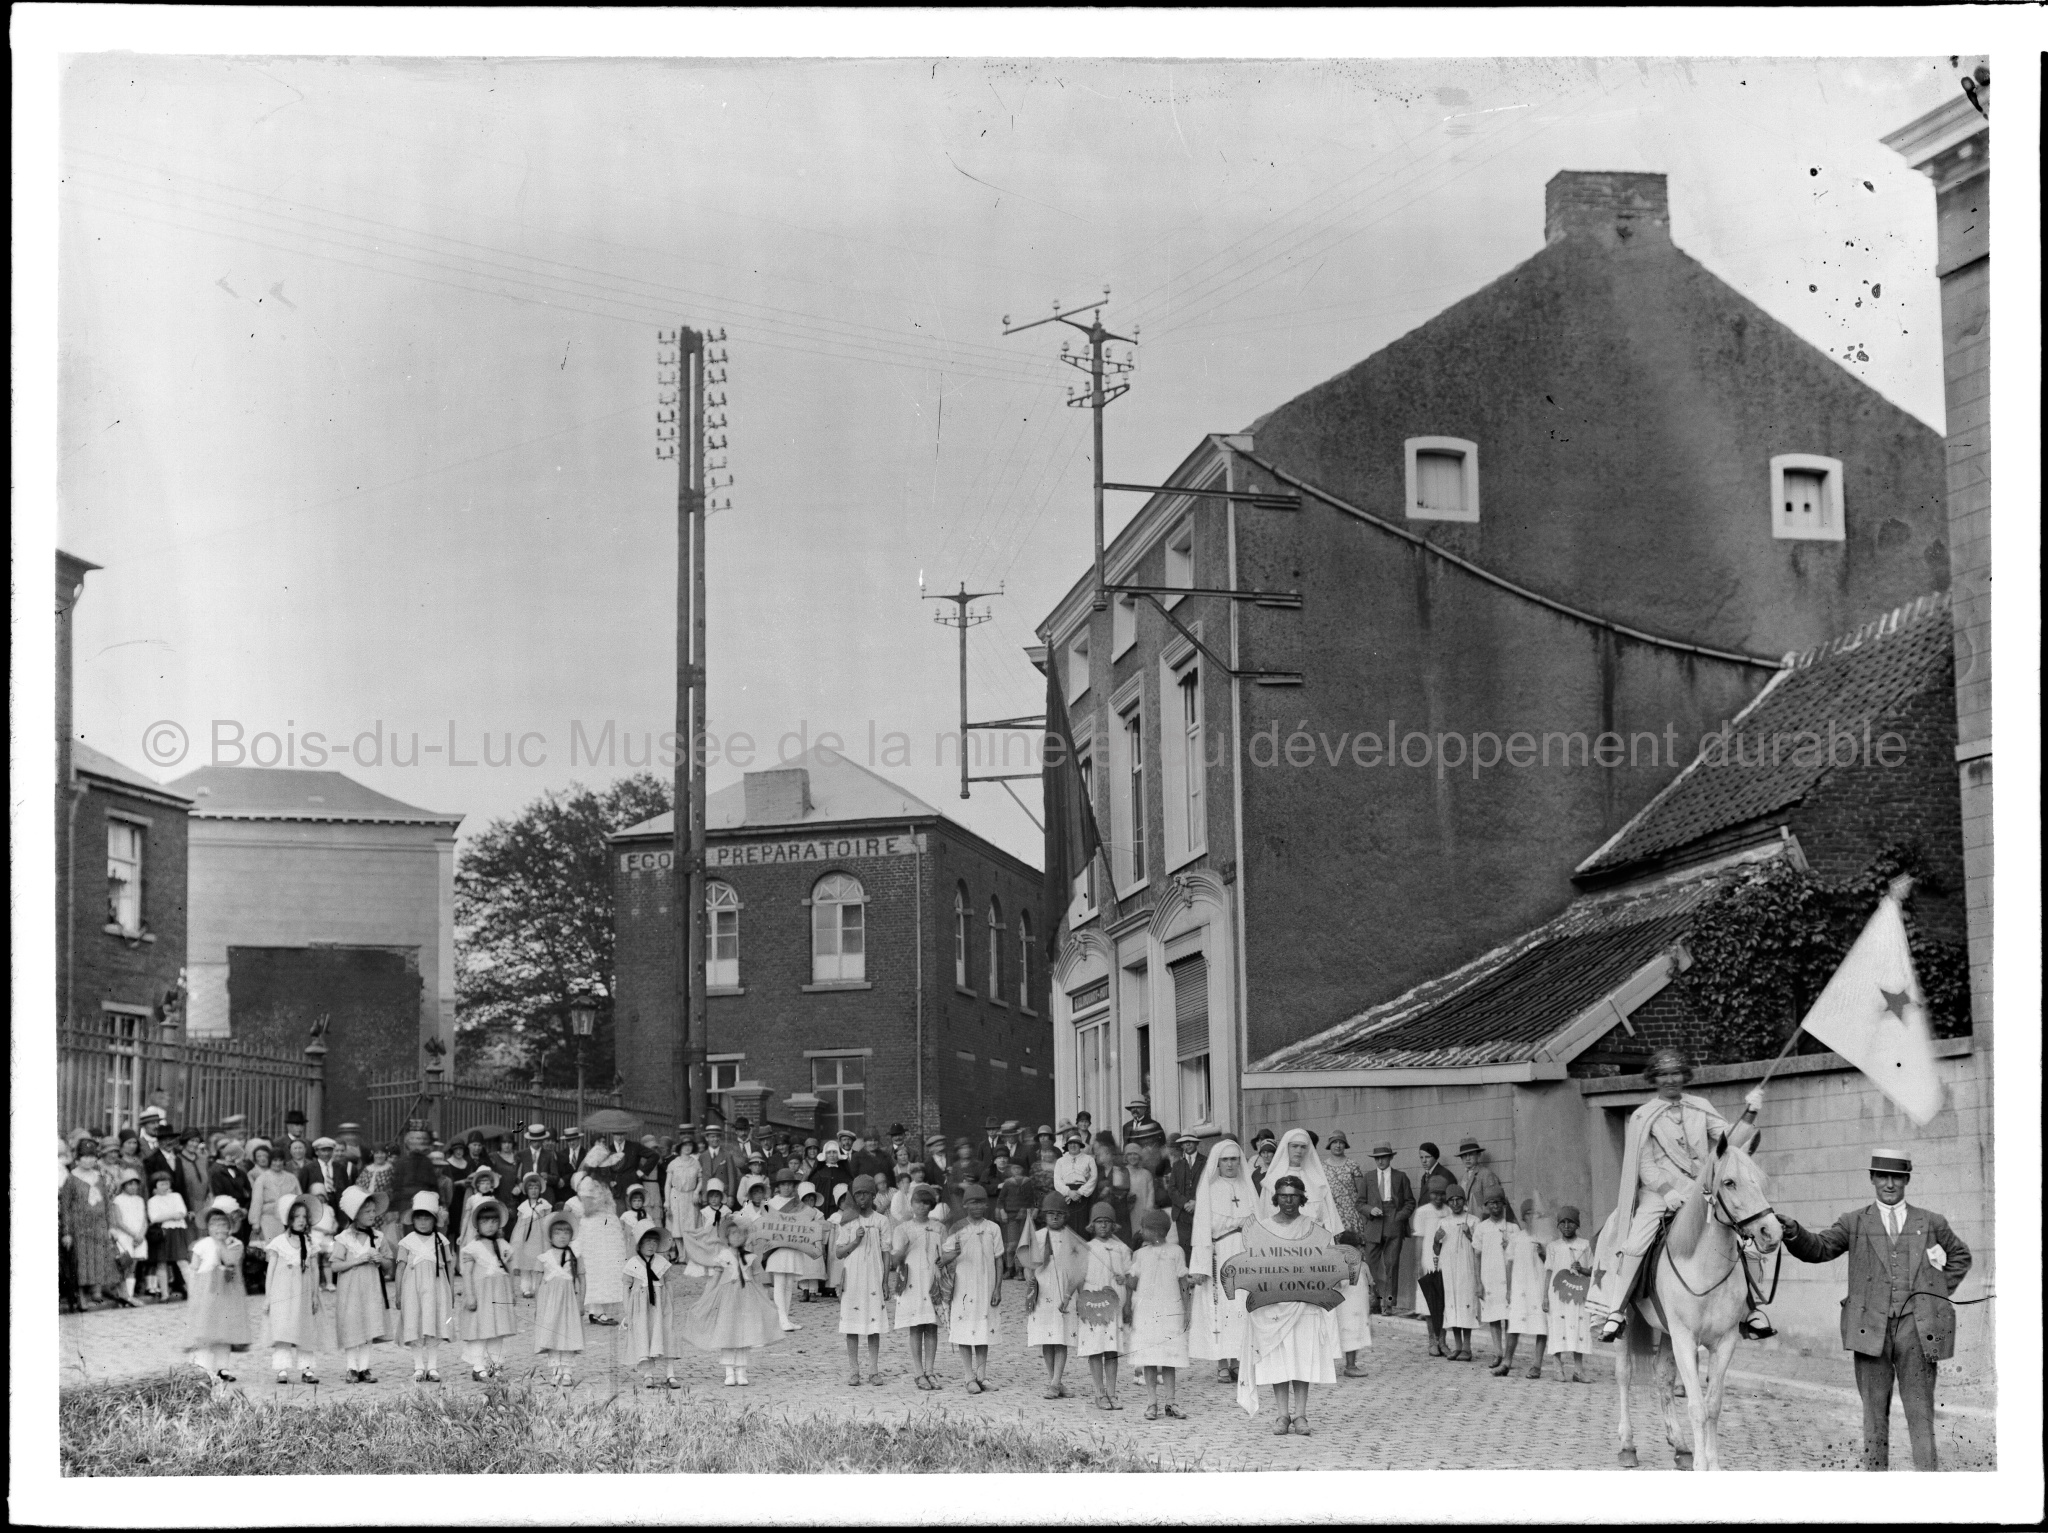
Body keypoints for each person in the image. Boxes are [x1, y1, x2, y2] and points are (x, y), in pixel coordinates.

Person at [1777, 1147, 1974, 1472]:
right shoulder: (1853, 1222)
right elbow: (1820, 1248)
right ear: (1872, 1178)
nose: (1889, 1184)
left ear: (1906, 1180)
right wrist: (1795, 1232)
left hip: (1916, 1332)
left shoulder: (1931, 1222)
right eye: (1882, 1176)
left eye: (1896, 1177)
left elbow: (1961, 1257)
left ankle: (1930, 1488)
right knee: (1873, 1417)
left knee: (1921, 1415)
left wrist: (1932, 1294)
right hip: (1870, 1330)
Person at [1586, 1048, 1771, 1344]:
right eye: (1664, 1075)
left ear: (1685, 1076)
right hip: (1658, 1194)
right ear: (1654, 1079)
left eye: (1676, 1073)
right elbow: (1644, 1163)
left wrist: (1749, 1113)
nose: (1670, 1080)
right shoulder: (1642, 1115)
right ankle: (1617, 1311)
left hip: (1701, 1191)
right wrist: (1666, 1191)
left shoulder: (1700, 1106)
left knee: (1742, 1240)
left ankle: (1751, 1310)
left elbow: (1730, 1142)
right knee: (1635, 1244)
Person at [1236, 1174, 1347, 1436]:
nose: (1288, 1201)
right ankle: (1282, 1415)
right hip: (1273, 1304)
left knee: (1301, 1358)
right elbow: (1254, 1265)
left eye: (1294, 1196)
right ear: (1276, 1198)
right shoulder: (1263, 1229)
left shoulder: (1314, 1228)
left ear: (1302, 1198)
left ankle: (1301, 1415)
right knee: (1279, 1360)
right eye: (1284, 1196)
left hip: (1303, 1302)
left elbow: (1328, 1262)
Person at [673, 1215, 781, 1386]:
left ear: (746, 1237)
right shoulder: (723, 1256)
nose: (737, 1237)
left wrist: (765, 1299)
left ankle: (742, 1371)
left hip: (747, 1297)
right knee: (727, 1332)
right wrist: (705, 1298)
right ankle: (729, 1371)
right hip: (727, 1298)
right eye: (733, 1234)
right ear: (727, 1237)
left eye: (741, 1234)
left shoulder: (751, 1257)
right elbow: (714, 1280)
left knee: (745, 1332)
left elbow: (758, 1280)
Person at [1189, 1138, 1258, 1381]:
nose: (1230, 1164)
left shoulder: (1247, 1187)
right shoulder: (1210, 1188)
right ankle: (1221, 1363)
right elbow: (1201, 1229)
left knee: (1241, 1307)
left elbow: (1257, 1225)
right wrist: (1200, 1265)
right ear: (1217, 1163)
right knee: (1219, 1307)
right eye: (1225, 1160)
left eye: (1234, 1159)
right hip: (1219, 1254)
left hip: (1245, 1255)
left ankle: (1238, 1361)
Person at [1020, 1192, 1088, 1399]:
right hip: (1043, 1291)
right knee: (1046, 1338)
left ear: (1065, 1215)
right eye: (1051, 1214)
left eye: (1059, 1213)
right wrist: (1029, 1280)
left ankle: (1056, 1381)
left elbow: (1080, 1269)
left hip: (1064, 1293)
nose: (1055, 1217)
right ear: (1045, 1216)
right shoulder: (1038, 1237)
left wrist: (1078, 1295)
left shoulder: (1073, 1239)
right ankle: (1054, 1381)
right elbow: (1027, 1264)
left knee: (1061, 1338)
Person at [940, 1183, 1004, 1394]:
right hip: (964, 1288)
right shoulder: (957, 1228)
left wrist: (997, 1288)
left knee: (983, 1331)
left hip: (986, 1285)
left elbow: (998, 1259)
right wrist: (953, 1253)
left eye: (981, 1202)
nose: (977, 1206)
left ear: (986, 1205)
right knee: (965, 1331)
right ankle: (969, 1376)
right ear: (965, 1205)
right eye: (973, 1203)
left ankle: (982, 1375)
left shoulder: (993, 1228)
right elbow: (942, 1260)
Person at [1128, 1207, 1192, 1420]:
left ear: (1156, 1231)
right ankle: (1151, 1402)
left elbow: (1183, 1282)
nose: (1141, 1232)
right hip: (1146, 1312)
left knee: (1169, 1357)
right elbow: (1133, 1282)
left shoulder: (1176, 1252)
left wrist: (1186, 1309)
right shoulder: (1140, 1254)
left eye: (1144, 1228)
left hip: (1170, 1310)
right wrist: (1125, 1279)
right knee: (1148, 1357)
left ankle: (1171, 1402)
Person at [184, 1200, 252, 1382]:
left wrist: (221, 1243)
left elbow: (230, 1261)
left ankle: (223, 1367)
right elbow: (194, 1268)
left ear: (230, 1226)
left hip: (227, 1289)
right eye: (214, 1224)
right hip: (206, 1289)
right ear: (207, 1227)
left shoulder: (235, 1244)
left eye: (223, 1224)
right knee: (205, 1329)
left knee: (224, 1329)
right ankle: (202, 1368)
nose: (218, 1228)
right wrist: (193, 1291)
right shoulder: (201, 1245)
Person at [330, 1187, 393, 1383]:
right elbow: (335, 1266)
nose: (372, 1215)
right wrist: (357, 1260)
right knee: (352, 1326)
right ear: (355, 1214)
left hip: (371, 1289)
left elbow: (389, 1265)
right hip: (350, 1291)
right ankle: (351, 1367)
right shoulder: (344, 1238)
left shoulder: (378, 1237)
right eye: (367, 1211)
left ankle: (364, 1367)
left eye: (373, 1211)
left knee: (369, 1324)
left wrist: (380, 1259)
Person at [834, 1174, 892, 1386]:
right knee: (852, 1324)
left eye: (865, 1194)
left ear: (873, 1195)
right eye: (857, 1194)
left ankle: (873, 1370)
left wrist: (885, 1281)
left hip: (873, 1277)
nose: (861, 1198)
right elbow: (839, 1253)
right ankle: (854, 1370)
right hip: (853, 1277)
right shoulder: (848, 1221)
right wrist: (855, 1241)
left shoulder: (881, 1221)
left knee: (873, 1325)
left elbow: (886, 1252)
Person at [889, 1183, 947, 1390]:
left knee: (931, 1325)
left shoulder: (939, 1227)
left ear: (931, 1205)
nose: (921, 1207)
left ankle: (930, 1370)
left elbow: (945, 1255)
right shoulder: (902, 1229)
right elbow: (895, 1260)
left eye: (926, 1203)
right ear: (911, 1204)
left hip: (932, 1279)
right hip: (912, 1280)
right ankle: (918, 1371)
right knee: (916, 1325)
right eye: (917, 1202)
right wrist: (902, 1250)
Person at [1075, 1201, 1132, 1410]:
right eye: (1099, 1222)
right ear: (1093, 1225)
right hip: (1093, 1301)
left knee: (1111, 1348)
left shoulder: (1122, 1249)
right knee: (1095, 1347)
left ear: (1113, 1225)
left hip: (1115, 1302)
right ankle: (1099, 1392)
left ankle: (1112, 1392)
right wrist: (1081, 1301)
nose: (1103, 1225)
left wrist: (1127, 1297)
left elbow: (1130, 1276)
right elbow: (1079, 1278)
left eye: (1107, 1222)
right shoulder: (1087, 1248)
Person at [265, 1193, 326, 1384]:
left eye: (304, 1217)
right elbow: (271, 1271)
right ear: (288, 1219)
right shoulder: (279, 1242)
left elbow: (315, 1269)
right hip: (283, 1293)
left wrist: (315, 1295)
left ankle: (306, 1369)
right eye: (296, 1216)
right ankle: (282, 1368)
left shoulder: (310, 1242)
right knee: (283, 1329)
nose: (301, 1220)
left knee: (305, 1328)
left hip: (304, 1293)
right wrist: (268, 1297)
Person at [396, 1191, 457, 1382]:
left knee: (434, 1322)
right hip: (412, 1289)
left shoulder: (441, 1241)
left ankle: (432, 1366)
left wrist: (451, 1291)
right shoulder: (407, 1241)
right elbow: (400, 1268)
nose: (423, 1222)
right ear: (413, 1220)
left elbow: (449, 1267)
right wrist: (398, 1293)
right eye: (419, 1218)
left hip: (435, 1288)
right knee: (414, 1322)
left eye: (427, 1218)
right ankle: (418, 1366)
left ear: (434, 1220)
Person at [458, 1199, 519, 1381]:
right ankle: (478, 1367)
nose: (490, 1225)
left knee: (498, 1330)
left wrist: (512, 1292)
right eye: (485, 1221)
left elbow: (509, 1271)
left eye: (494, 1221)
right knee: (479, 1330)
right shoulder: (472, 1248)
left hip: (499, 1293)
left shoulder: (503, 1245)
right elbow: (467, 1273)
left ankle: (495, 1364)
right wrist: (470, 1295)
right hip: (481, 1295)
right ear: (477, 1225)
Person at [60, 1139, 121, 1309]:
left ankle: (97, 1290)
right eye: (84, 1157)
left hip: (99, 1225)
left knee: (98, 1257)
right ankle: (81, 1295)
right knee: (81, 1260)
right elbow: (65, 1207)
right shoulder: (71, 1178)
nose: (88, 1160)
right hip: (79, 1227)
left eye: (92, 1157)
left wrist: (111, 1226)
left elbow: (107, 1204)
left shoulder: (99, 1177)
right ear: (77, 1158)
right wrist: (67, 1232)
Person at [1357, 1142, 1417, 1315]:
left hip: (1393, 1224)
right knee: (1371, 1266)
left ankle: (1388, 1303)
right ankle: (1374, 1301)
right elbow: (1359, 1203)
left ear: (1390, 1157)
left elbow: (1410, 1202)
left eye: (1383, 1157)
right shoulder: (1368, 1177)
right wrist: (1370, 1210)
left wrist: (1398, 1217)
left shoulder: (1401, 1177)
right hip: (1373, 1225)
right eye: (1377, 1158)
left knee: (1391, 1265)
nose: (1380, 1161)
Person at [621, 1223, 682, 1390]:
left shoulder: (662, 1262)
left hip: (660, 1305)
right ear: (640, 1244)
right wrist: (628, 1311)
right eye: (647, 1241)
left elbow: (668, 1283)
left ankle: (670, 1374)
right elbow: (626, 1287)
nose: (651, 1245)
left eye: (654, 1242)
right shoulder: (633, 1263)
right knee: (644, 1335)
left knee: (666, 1334)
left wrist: (670, 1304)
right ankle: (648, 1375)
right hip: (641, 1307)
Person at [533, 1213, 587, 1386]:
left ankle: (567, 1371)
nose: (562, 1236)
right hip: (550, 1301)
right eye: (557, 1232)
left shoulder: (576, 1256)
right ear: (550, 1236)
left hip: (569, 1301)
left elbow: (582, 1279)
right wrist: (538, 1305)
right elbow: (537, 1283)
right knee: (553, 1332)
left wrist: (581, 1302)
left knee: (568, 1332)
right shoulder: (545, 1257)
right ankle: (556, 1370)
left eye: (566, 1232)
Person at [1543, 1205, 1593, 1382]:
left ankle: (1578, 1371)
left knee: (1578, 1327)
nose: (1566, 1226)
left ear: (1577, 1225)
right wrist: (1545, 1297)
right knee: (1557, 1327)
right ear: (1558, 1225)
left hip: (1577, 1292)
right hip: (1557, 1293)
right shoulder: (1553, 1247)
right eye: (1562, 1222)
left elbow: (1592, 1270)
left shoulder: (1584, 1245)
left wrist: (1582, 1269)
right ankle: (1558, 1368)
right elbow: (1549, 1271)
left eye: (1570, 1222)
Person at [571, 1173, 627, 1326]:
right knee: (596, 1268)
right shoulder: (588, 1182)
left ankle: (602, 1310)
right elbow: (587, 1209)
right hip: (595, 1228)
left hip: (607, 1228)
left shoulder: (603, 1183)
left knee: (608, 1268)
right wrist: (600, 1202)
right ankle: (595, 1310)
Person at [1503, 1197, 1550, 1379]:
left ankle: (1536, 1365)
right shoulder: (1517, 1238)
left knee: (1541, 1326)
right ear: (1523, 1217)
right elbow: (1509, 1264)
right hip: (1520, 1288)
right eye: (1529, 1214)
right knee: (1514, 1324)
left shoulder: (1546, 1238)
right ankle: (1506, 1361)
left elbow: (1551, 1265)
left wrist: (1543, 1254)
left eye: (1537, 1214)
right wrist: (1509, 1289)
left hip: (1538, 1287)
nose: (1533, 1218)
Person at [761, 1169, 813, 1332]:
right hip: (777, 1248)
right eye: (783, 1184)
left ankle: (785, 1318)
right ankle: (781, 1319)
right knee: (779, 1283)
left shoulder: (799, 1204)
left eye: (789, 1184)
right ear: (778, 1186)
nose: (787, 1187)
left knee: (789, 1283)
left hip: (793, 1247)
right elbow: (765, 1223)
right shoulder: (771, 1203)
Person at [1259, 1129, 1338, 1232]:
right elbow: (1265, 1216)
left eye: (1303, 1147)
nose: (1299, 1151)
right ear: (1286, 1148)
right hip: (1281, 1237)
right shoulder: (1272, 1180)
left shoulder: (1315, 1180)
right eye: (1294, 1146)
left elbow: (1325, 1218)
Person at [1434, 1185, 1480, 1361]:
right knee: (1452, 1306)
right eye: (1451, 1201)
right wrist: (1436, 1240)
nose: (1455, 1203)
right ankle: (1458, 1346)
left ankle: (1467, 1348)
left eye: (1458, 1200)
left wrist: (1470, 1235)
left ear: (1464, 1201)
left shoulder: (1474, 1221)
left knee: (1465, 1305)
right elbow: (1436, 1250)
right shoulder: (1444, 1222)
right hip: (1449, 1269)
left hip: (1466, 1268)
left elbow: (1479, 1248)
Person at [1475, 1190, 1514, 1371]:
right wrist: (1478, 1282)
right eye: (1491, 1203)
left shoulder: (1512, 1228)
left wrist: (1510, 1246)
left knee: (1509, 1317)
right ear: (1486, 1206)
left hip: (1507, 1278)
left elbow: (1518, 1256)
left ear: (1504, 1205)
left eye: (1498, 1202)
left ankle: (1508, 1355)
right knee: (1493, 1316)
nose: (1495, 1206)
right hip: (1489, 1276)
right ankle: (1498, 1352)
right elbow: (1477, 1256)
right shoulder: (1482, 1228)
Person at [1332, 1228, 1375, 1376]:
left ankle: (1351, 1365)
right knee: (1346, 1334)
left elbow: (1370, 1283)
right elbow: (1338, 1284)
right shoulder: (1341, 1266)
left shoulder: (1362, 1266)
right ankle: (1347, 1366)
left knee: (1354, 1335)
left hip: (1358, 1307)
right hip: (1346, 1308)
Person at [146, 1169, 192, 1302]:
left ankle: (193, 1291)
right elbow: (154, 1217)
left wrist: (167, 1215)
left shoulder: (176, 1196)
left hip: (177, 1231)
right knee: (161, 1263)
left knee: (182, 1261)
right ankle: (164, 1294)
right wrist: (172, 1215)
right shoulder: (153, 1201)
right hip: (162, 1233)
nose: (165, 1187)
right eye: (161, 1184)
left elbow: (182, 1212)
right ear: (155, 1186)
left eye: (167, 1183)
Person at [109, 1167, 152, 1305]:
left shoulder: (140, 1200)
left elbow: (144, 1220)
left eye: (135, 1184)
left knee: (134, 1266)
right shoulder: (118, 1200)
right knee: (125, 1266)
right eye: (130, 1184)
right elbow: (119, 1222)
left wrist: (141, 1235)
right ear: (123, 1185)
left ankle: (130, 1295)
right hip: (125, 1237)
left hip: (139, 1237)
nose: (133, 1187)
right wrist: (133, 1235)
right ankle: (125, 1295)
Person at [508, 1173, 553, 1298]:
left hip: (540, 1238)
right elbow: (519, 1224)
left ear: (540, 1190)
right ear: (526, 1191)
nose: (533, 1191)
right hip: (525, 1239)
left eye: (536, 1188)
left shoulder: (544, 1204)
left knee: (538, 1262)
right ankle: (525, 1288)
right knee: (525, 1263)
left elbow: (548, 1221)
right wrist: (517, 1240)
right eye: (531, 1188)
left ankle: (536, 1286)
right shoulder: (523, 1206)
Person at [1163, 1131, 1204, 1257]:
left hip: (1200, 1210)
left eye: (1191, 1141)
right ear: (1181, 1145)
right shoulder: (1177, 1165)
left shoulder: (1205, 1162)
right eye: (1185, 1142)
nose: (1188, 1144)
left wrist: (1196, 1202)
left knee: (1201, 1245)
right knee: (1185, 1247)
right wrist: (1185, 1203)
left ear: (1196, 1143)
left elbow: (1208, 1186)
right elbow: (1172, 1189)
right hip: (1182, 1212)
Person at [994, 1155, 1033, 1277]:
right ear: (1010, 1169)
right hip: (1010, 1217)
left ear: (1023, 1169)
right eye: (1014, 1168)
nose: (1016, 1170)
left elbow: (1032, 1199)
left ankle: (1020, 1269)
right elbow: (1001, 1200)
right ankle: (1010, 1268)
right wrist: (1002, 1211)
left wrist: (1026, 1210)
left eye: (1019, 1168)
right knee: (1011, 1244)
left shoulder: (1028, 1182)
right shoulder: (1008, 1183)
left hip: (1024, 1217)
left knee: (1022, 1244)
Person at [1323, 1130, 1366, 1237]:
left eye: (1341, 1142)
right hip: (1331, 1214)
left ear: (1345, 1145)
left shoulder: (1352, 1165)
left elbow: (1362, 1193)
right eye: (1334, 1142)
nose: (1338, 1146)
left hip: (1351, 1214)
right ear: (1329, 1145)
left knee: (1352, 1244)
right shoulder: (1322, 1167)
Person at [1052, 1125, 1098, 1215]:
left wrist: (1080, 1192)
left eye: (1076, 1143)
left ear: (1080, 1145)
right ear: (1067, 1145)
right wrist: (1068, 1192)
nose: (1073, 1145)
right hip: (1066, 1196)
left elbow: (1094, 1178)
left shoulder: (1089, 1159)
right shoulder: (1060, 1161)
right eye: (1070, 1143)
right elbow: (1057, 1181)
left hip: (1084, 1195)